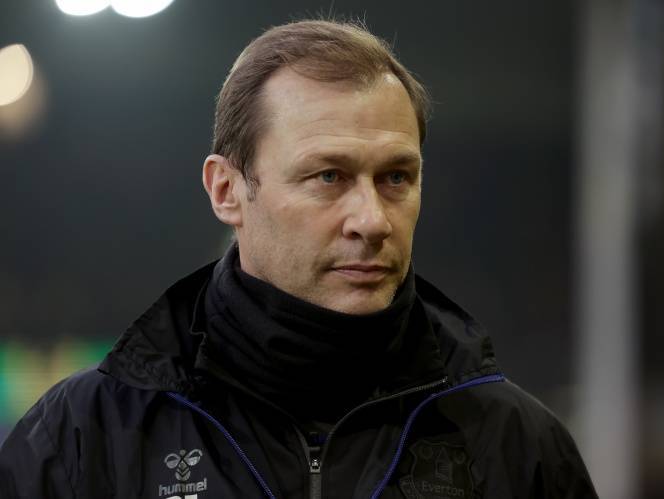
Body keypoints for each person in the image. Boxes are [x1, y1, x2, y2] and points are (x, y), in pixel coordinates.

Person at [0, 19, 597, 499]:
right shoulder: (83, 439)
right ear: (226, 190)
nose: (372, 220)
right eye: (328, 176)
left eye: (396, 177)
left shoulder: (518, 447)